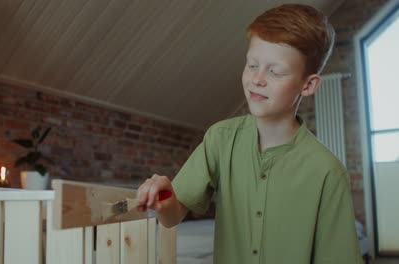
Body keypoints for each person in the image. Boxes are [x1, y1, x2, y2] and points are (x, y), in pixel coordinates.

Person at [136, 3, 363, 263]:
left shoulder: (328, 172)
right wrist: (164, 200)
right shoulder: (220, 139)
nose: (257, 79)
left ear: (308, 85)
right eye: (252, 65)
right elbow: (172, 216)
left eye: (275, 71)